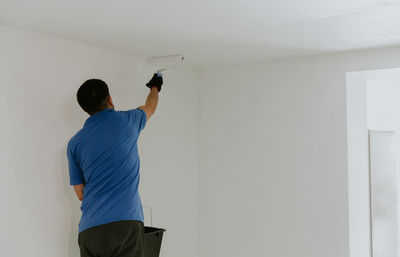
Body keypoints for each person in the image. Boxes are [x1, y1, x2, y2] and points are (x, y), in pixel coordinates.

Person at [67, 74, 163, 257]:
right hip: (125, 224)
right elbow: (151, 106)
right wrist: (155, 87)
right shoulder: (128, 121)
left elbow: (80, 193)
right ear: (110, 99)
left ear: (84, 108)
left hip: (90, 229)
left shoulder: (75, 144)